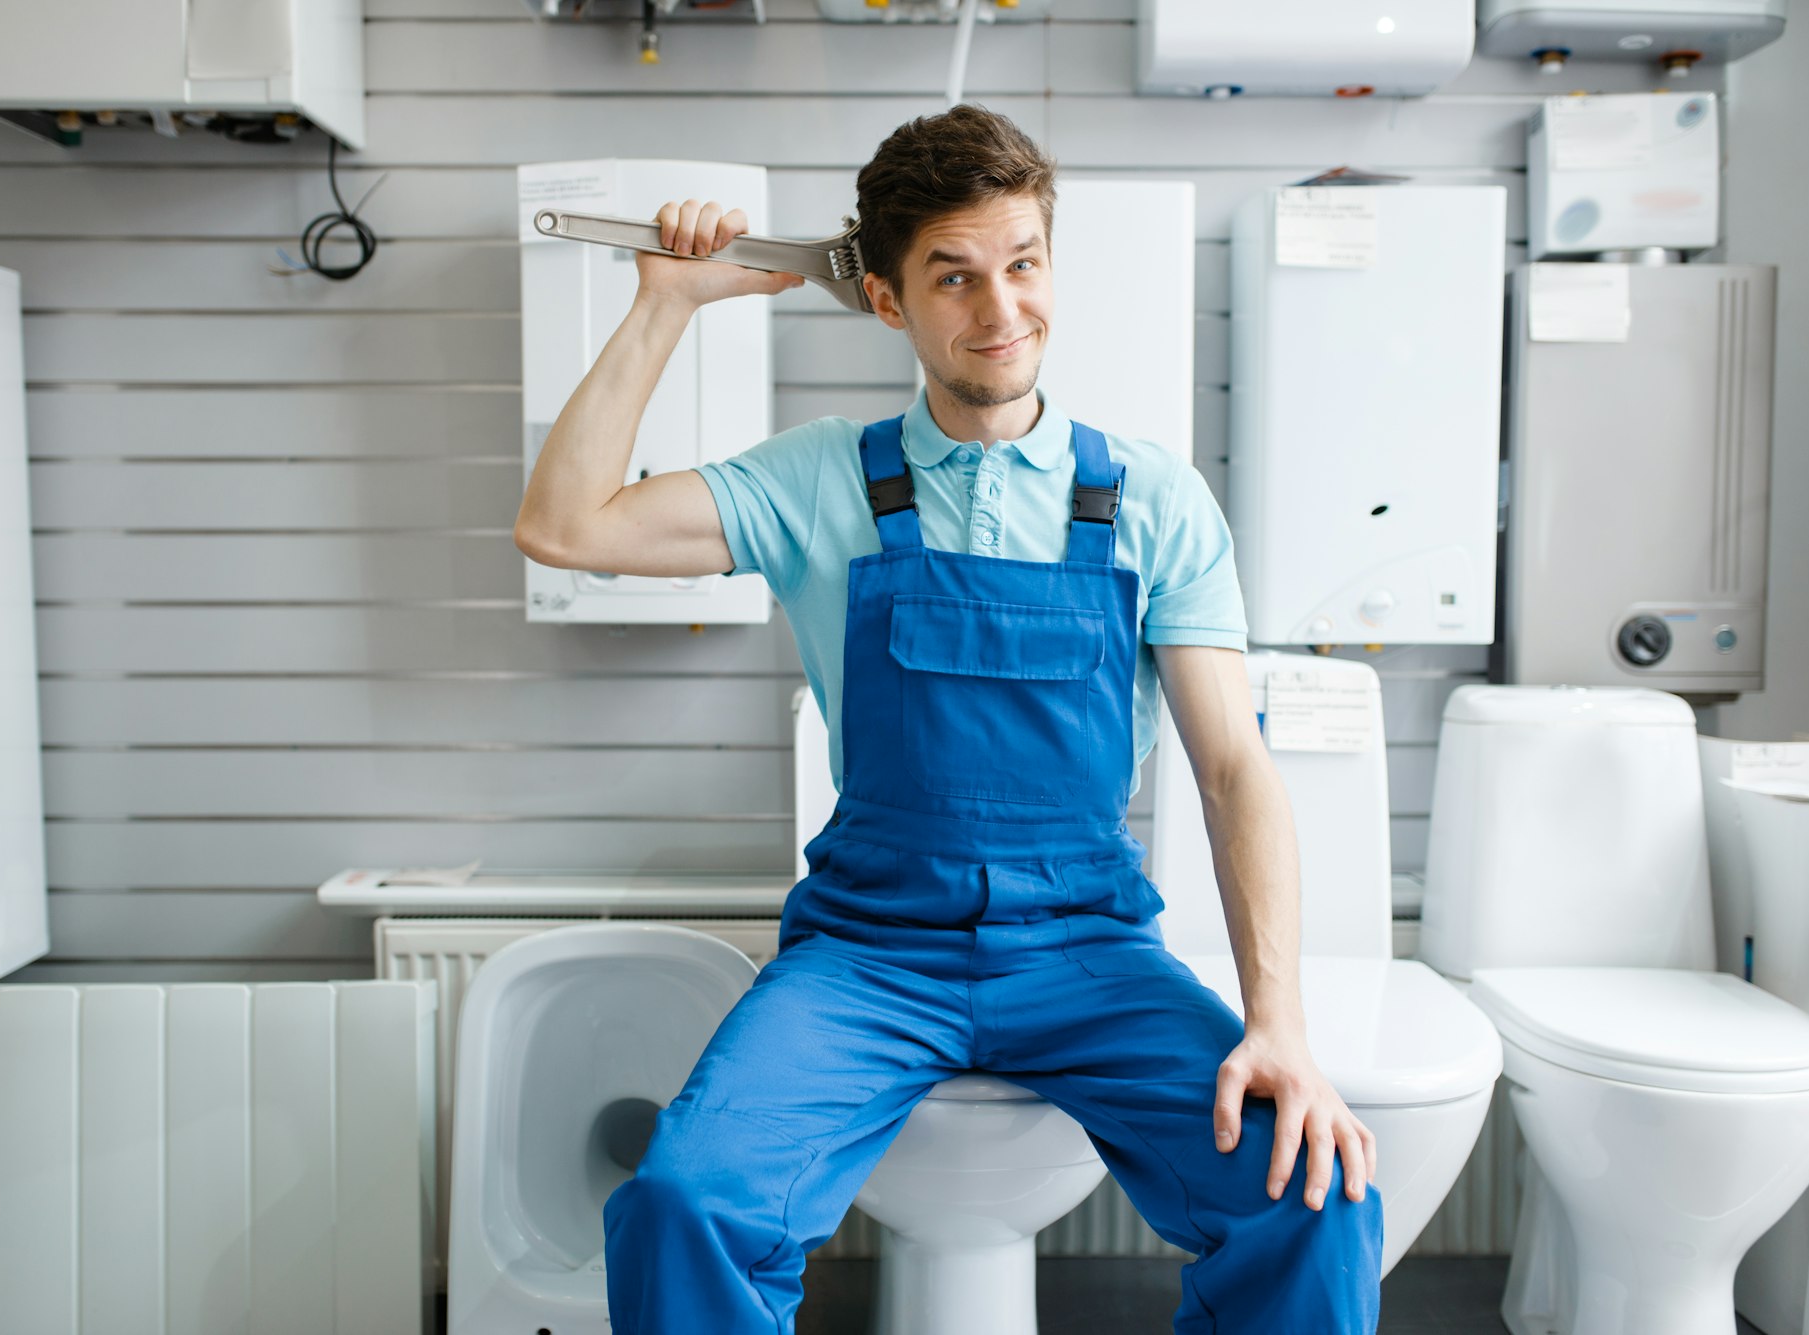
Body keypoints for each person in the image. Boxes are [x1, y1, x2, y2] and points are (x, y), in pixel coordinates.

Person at [512, 102, 1383, 1334]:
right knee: (680, 1203)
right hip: (871, 957)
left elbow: (1233, 770)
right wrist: (665, 301)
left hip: (1086, 953)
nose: (998, 311)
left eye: (1021, 265)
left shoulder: (1150, 501)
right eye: (954, 277)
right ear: (886, 301)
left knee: (1312, 1200)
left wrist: (1276, 1024)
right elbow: (565, 526)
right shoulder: (816, 479)